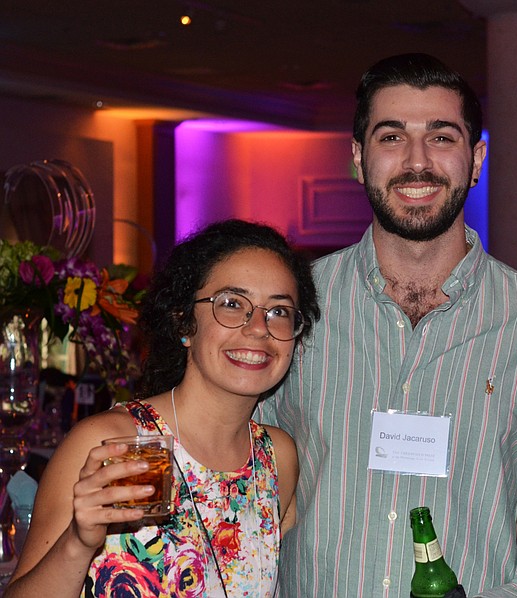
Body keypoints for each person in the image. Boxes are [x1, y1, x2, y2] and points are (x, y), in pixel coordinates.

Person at [256, 53, 517, 597]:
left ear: (476, 157)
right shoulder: (292, 308)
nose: (417, 162)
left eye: (442, 137)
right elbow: (235, 470)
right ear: (358, 160)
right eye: (391, 138)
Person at [7, 219, 320, 597]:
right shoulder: (113, 443)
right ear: (184, 322)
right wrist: (77, 542)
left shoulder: (276, 459)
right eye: (232, 304)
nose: (258, 328)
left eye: (279, 311)